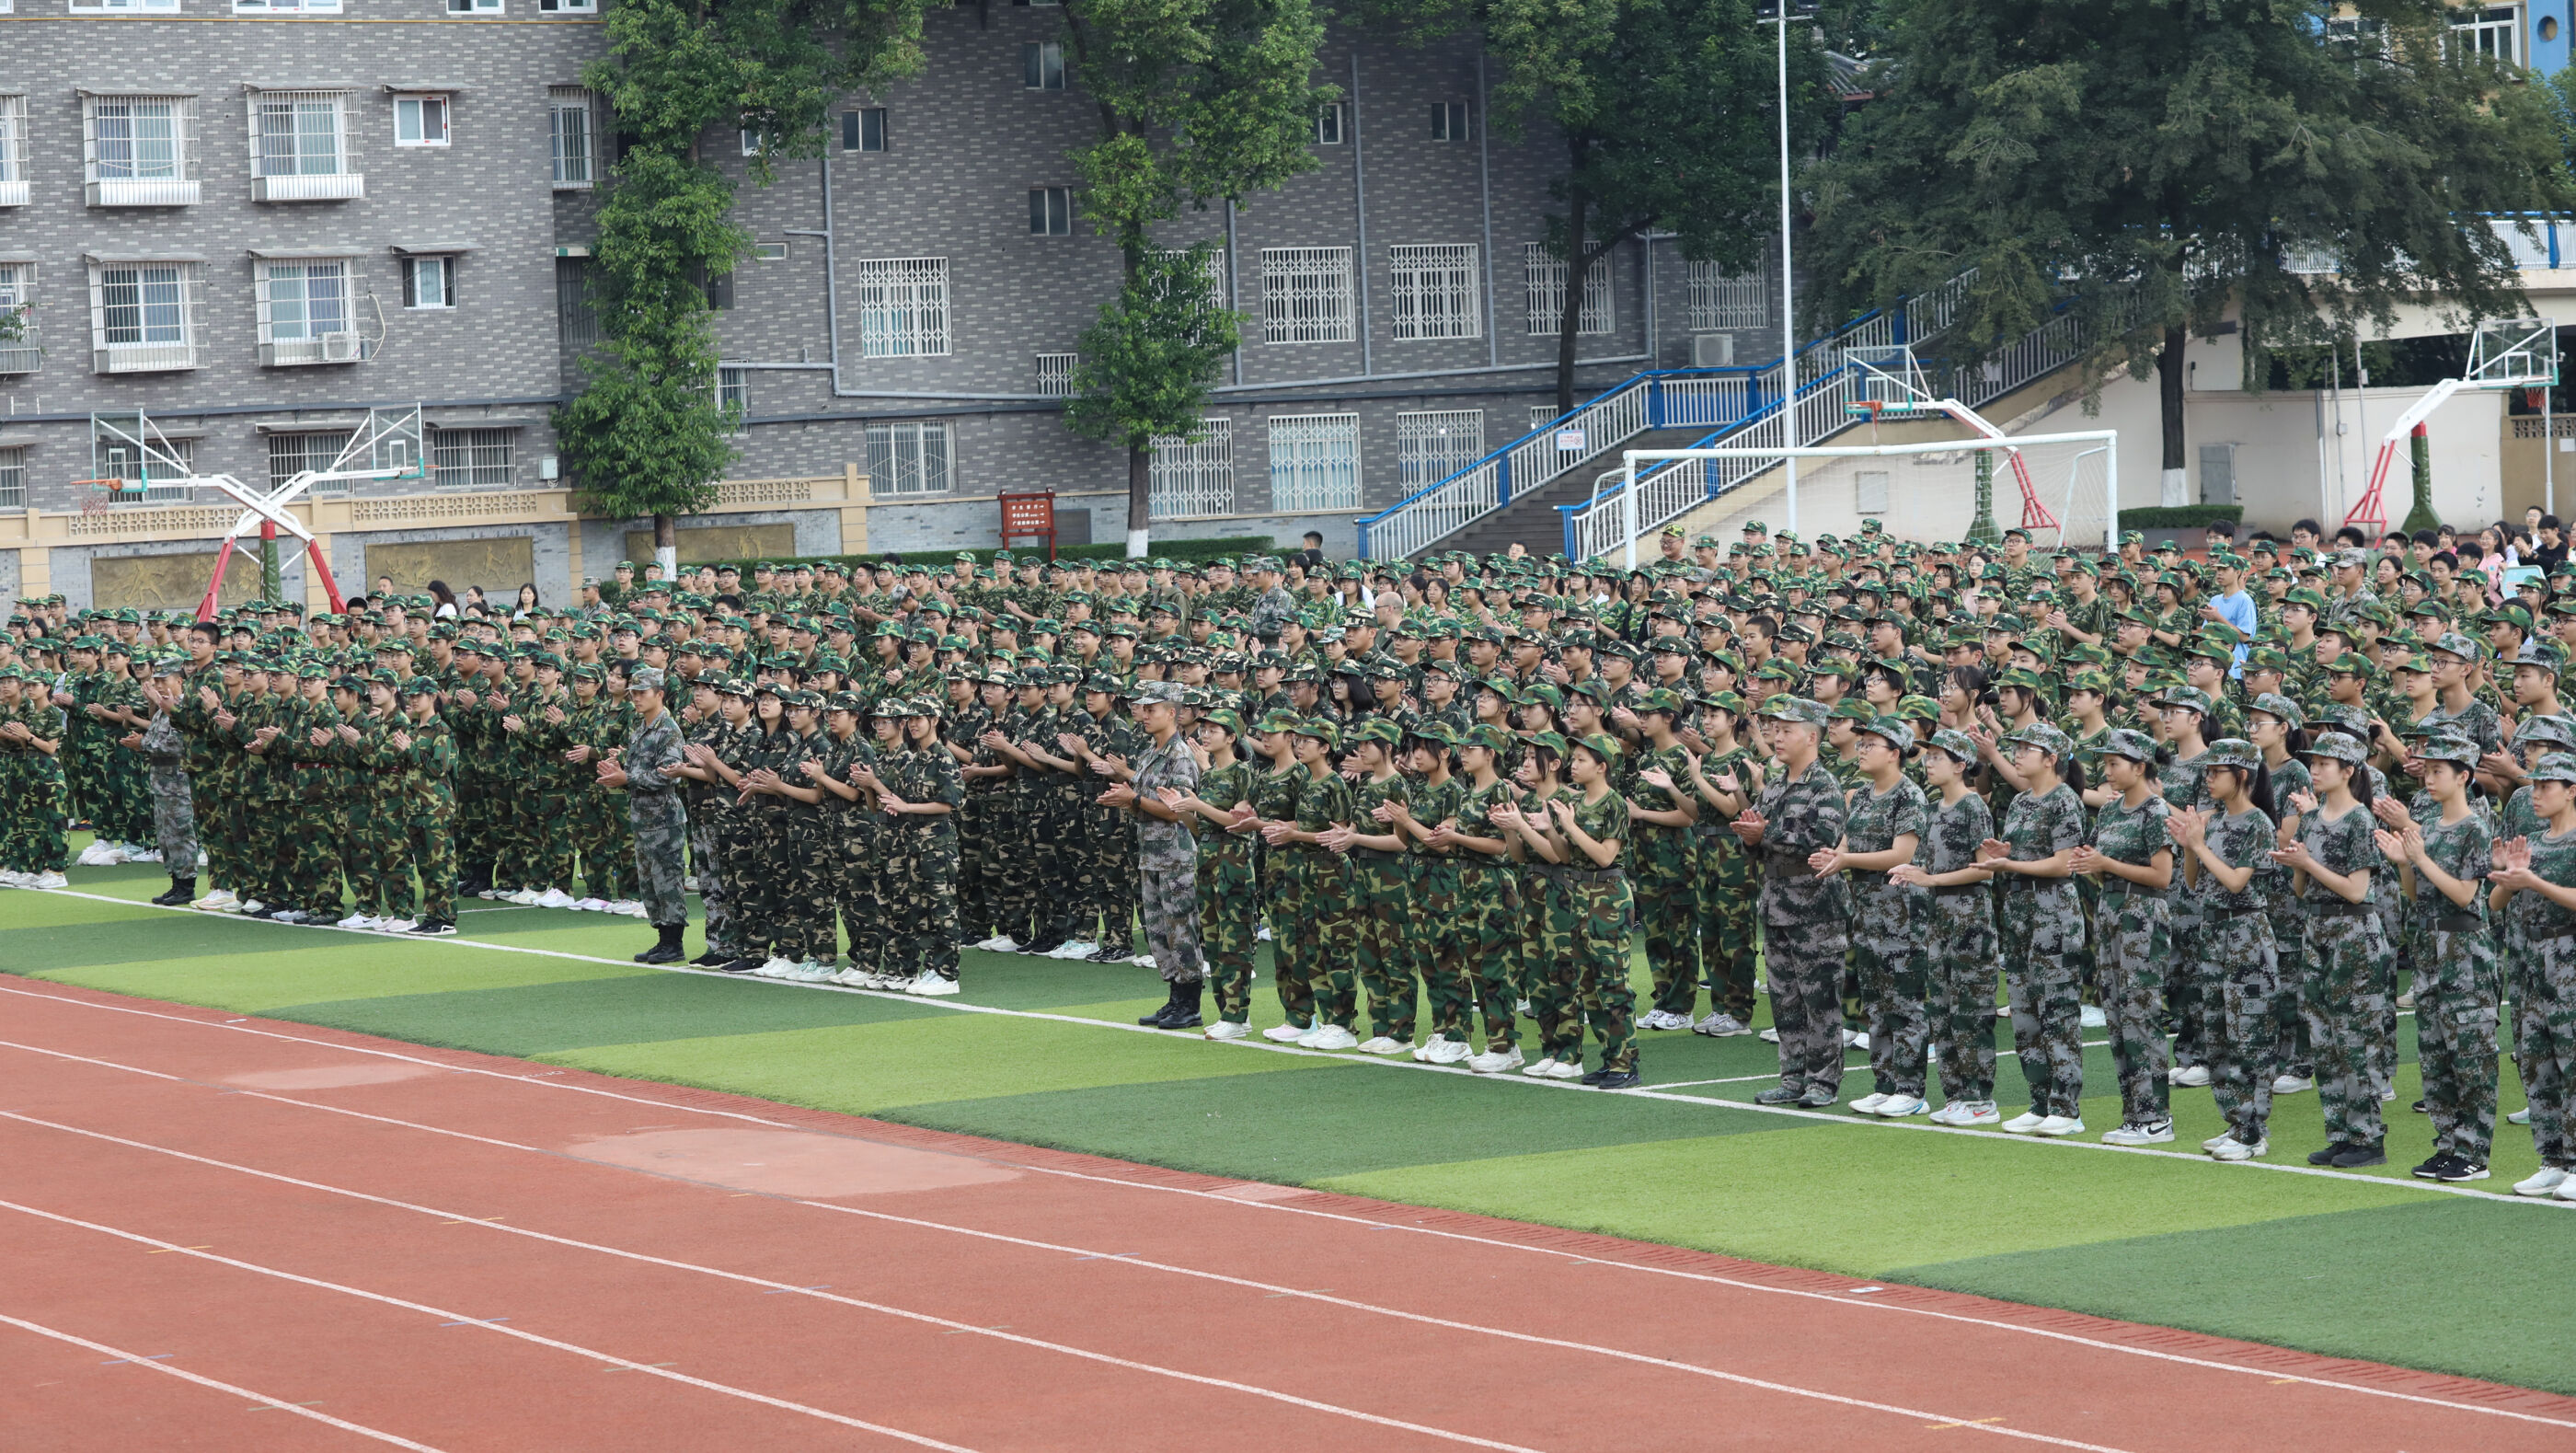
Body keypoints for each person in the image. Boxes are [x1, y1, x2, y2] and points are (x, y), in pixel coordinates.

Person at [2376, 736, 2498, 1182]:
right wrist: (2404, 863)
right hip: (2428, 947)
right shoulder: (2426, 826)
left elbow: (2465, 895)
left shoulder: (2474, 828)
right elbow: (2417, 896)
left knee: (2470, 1055)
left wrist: (2420, 858)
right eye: (2426, 771)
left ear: (2463, 776)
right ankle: (2447, 1145)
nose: (2429, 778)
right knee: (2435, 1055)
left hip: (2463, 950)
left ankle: (2473, 1152)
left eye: (2438, 771)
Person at [1731, 697, 1850, 1109]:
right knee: (1785, 999)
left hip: (1816, 907)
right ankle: (1793, 1077)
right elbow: (1755, 842)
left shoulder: (1825, 786)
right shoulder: (1776, 785)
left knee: (1820, 998)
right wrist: (1750, 836)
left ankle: (1823, 1081)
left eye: (1787, 730)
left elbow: (1823, 842)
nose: (1777, 737)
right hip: (1778, 903)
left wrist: (1764, 834)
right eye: (1775, 730)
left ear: (1812, 737)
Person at [2276, 730, 2386, 1168]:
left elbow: (2357, 891)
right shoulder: (2312, 818)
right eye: (2314, 763)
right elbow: (2302, 889)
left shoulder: (2360, 820)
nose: (2315, 770)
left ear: (2348, 771)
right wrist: (2296, 864)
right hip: (2317, 929)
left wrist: (2307, 863)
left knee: (2355, 1037)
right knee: (2323, 1037)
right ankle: (2340, 1132)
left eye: (2324, 764)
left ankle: (2367, 1137)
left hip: (2352, 932)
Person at [1978, 721, 2087, 1136]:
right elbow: (2026, 854)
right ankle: (2039, 1101)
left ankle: (2066, 1107)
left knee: (2057, 1009)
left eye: (2027, 749)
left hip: (2053, 909)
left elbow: (2063, 864)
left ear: (2050, 759)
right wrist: (2006, 853)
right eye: (2017, 748)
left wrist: (2011, 862)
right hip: (2021, 909)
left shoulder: (2064, 800)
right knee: (2024, 1012)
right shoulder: (2022, 801)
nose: (2018, 755)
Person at [1820, 713, 1930, 1117]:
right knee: (1876, 1001)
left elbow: (1902, 854)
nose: (1862, 750)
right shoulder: (1863, 795)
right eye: (1861, 743)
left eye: (1870, 745)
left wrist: (1847, 860)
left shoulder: (1909, 796)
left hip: (1901, 910)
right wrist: (1834, 856)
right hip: (1866, 909)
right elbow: (1847, 842)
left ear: (1895, 753)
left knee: (1904, 1001)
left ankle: (1911, 1090)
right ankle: (1885, 1084)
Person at [1112, 680, 1206, 1027]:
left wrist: (1134, 799)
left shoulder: (1179, 755)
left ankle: (1190, 1005)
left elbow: (1178, 810)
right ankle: (1175, 998)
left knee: (1181, 930)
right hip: (1152, 854)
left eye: (1152, 709)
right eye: (1144, 709)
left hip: (1175, 856)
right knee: (1159, 931)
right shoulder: (1151, 752)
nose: (1145, 715)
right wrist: (1127, 800)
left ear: (1171, 713)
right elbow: (1146, 804)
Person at [595, 665, 690, 964]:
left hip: (663, 819)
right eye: (633, 693)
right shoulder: (641, 728)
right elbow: (638, 771)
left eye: (642, 692)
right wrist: (619, 771)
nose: (636, 698)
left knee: (667, 881)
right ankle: (663, 938)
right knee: (649, 884)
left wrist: (627, 777)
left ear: (659, 694)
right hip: (642, 817)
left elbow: (669, 775)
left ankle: (674, 942)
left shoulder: (668, 730)